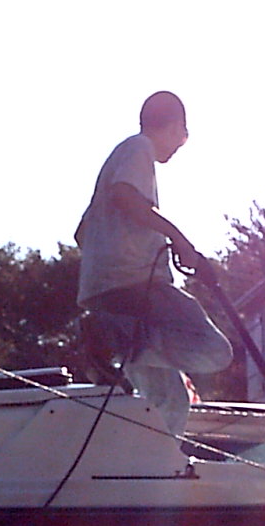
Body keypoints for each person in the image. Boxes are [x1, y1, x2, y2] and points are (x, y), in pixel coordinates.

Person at [75, 90, 233, 435]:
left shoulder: (116, 163)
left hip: (104, 293)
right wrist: (178, 238)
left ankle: (156, 464)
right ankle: (110, 336)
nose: (180, 145)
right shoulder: (138, 148)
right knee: (214, 350)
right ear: (175, 126)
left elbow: (81, 233)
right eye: (183, 136)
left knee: (170, 401)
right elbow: (127, 197)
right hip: (134, 288)